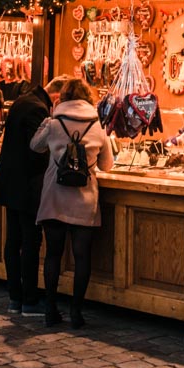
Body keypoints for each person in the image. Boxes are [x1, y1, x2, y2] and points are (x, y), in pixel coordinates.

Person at [30, 77, 114, 329]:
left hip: (55, 196)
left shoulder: (54, 123)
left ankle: (50, 309)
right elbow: (106, 165)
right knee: (82, 256)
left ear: (62, 97)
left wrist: (48, 125)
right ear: (88, 98)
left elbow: (35, 146)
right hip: (84, 198)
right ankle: (76, 312)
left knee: (53, 255)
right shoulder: (98, 125)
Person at [0, 80, 57, 315]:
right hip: (27, 183)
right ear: (55, 96)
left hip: (11, 182)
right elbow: (36, 148)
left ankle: (14, 297)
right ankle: (29, 299)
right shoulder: (38, 108)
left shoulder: (23, 101)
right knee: (30, 241)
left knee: (13, 240)